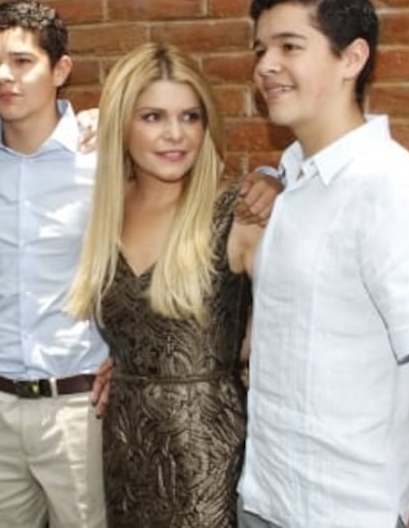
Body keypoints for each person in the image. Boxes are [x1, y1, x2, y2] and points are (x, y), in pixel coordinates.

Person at [237, 0, 409, 528]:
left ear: (352, 58)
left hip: (350, 511)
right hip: (266, 501)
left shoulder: (390, 188)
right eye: (260, 49)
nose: (266, 66)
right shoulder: (292, 182)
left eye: (289, 46)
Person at [67, 41, 267, 527]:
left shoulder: (237, 215)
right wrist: (136, 364)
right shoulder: (109, 211)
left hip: (208, 461)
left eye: (190, 117)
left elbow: (286, 337)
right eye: (153, 117)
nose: (175, 134)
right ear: (122, 125)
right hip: (124, 448)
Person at [0, 0, 109, 527]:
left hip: (78, 407)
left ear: (60, 69)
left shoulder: (105, 160)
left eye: (22, 61)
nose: (4, 76)